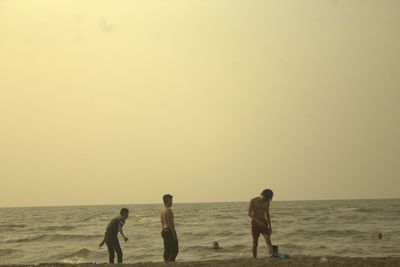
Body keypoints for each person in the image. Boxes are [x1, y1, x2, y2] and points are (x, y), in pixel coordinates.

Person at [248, 189, 273, 258]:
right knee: (255, 243)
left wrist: (270, 227)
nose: (265, 200)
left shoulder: (267, 202)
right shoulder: (253, 200)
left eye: (267, 199)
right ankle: (254, 258)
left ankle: (271, 257)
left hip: (264, 222)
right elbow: (249, 213)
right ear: (262, 195)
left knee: (268, 240)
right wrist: (258, 222)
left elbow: (267, 214)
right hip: (255, 223)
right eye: (265, 198)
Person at [160, 194, 179, 262]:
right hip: (169, 231)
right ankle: (170, 262)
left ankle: (166, 262)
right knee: (175, 250)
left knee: (167, 249)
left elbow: (162, 222)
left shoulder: (162, 210)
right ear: (167, 201)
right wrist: (174, 234)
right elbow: (171, 224)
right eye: (171, 200)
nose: (172, 202)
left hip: (164, 231)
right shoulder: (169, 210)